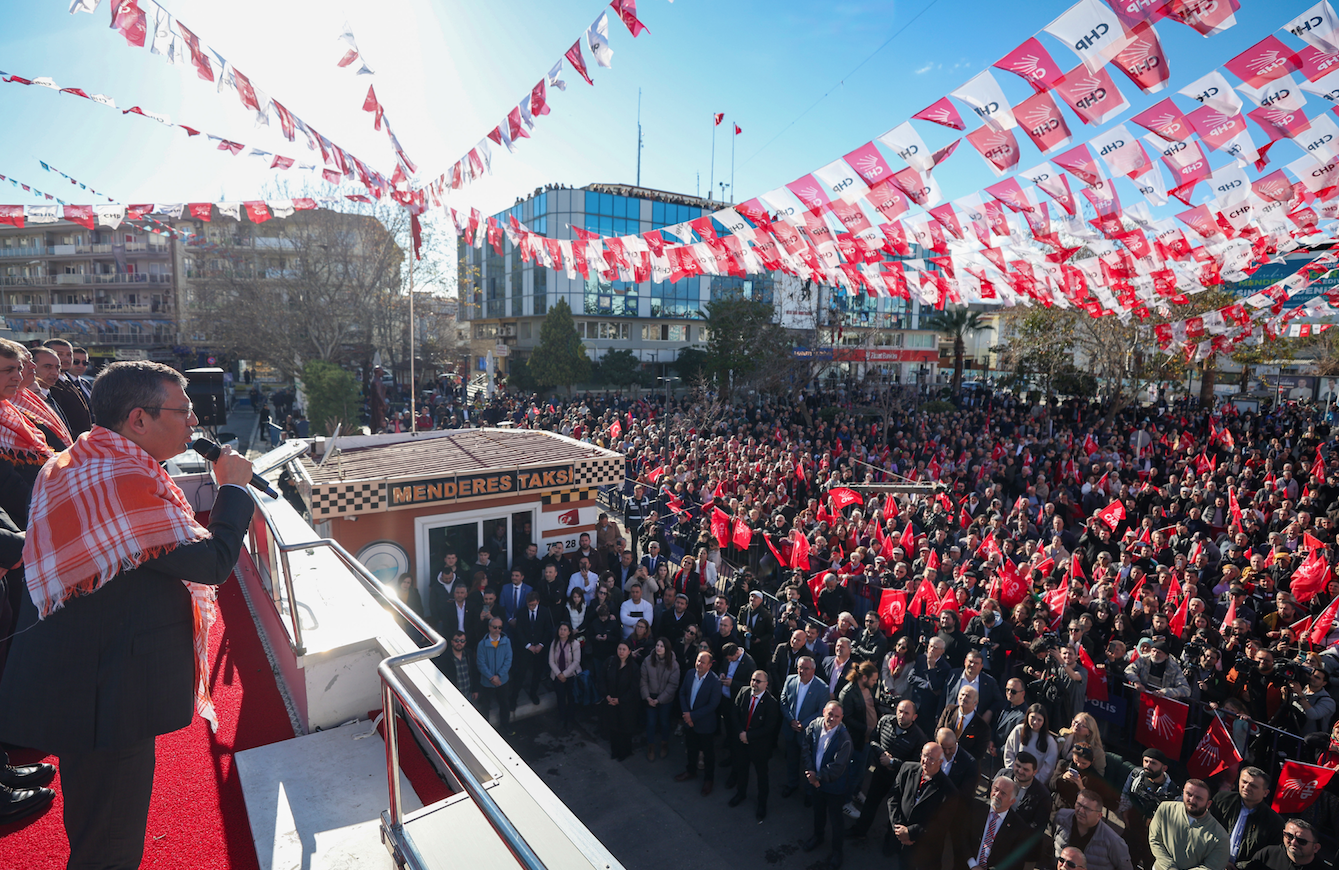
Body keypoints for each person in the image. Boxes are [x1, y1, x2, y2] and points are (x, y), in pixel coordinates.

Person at [0, 360, 256, 867]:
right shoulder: (121, 479)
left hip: (79, 679)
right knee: (110, 846)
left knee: (96, 827)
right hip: (106, 693)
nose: (193, 425)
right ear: (139, 420)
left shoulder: (84, 458)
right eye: (183, 412)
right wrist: (233, 489)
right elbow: (211, 563)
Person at [849, 698, 928, 839]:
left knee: (896, 812)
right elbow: (873, 739)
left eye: (906, 713)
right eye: (900, 711)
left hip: (900, 780)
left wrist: (892, 762)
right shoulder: (885, 721)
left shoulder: (919, 738)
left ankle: (890, 842)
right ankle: (859, 831)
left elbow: (916, 765)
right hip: (880, 773)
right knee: (870, 804)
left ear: (914, 717)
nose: (902, 715)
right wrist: (881, 754)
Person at [883, 741, 957, 867]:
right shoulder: (907, 768)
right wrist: (898, 827)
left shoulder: (949, 791)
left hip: (924, 846)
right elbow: (893, 796)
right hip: (900, 837)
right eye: (924, 756)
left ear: (940, 762)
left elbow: (940, 825)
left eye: (931, 759)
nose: (926, 761)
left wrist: (910, 833)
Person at [801, 700, 853, 868]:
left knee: (836, 820)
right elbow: (806, 747)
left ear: (842, 717)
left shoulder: (844, 739)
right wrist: (810, 771)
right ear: (824, 711)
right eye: (830, 714)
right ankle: (818, 836)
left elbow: (837, 768)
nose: (832, 719)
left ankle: (837, 852)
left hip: (833, 787)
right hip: (816, 782)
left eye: (837, 716)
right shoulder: (815, 725)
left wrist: (817, 778)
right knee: (818, 812)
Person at [728, 669, 780, 821]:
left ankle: (762, 804)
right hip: (742, 742)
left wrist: (748, 736)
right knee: (742, 769)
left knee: (761, 776)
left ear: (766, 684)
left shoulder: (771, 703)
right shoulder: (744, 692)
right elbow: (734, 713)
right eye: (752, 680)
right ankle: (741, 793)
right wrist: (740, 733)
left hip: (759, 746)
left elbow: (769, 727)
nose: (754, 684)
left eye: (758, 681)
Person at [1209, 767, 1285, 870]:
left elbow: (1270, 856)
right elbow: (1206, 830)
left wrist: (1239, 867)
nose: (1246, 787)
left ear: (1265, 793)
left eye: (1253, 786)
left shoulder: (1274, 822)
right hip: (1212, 863)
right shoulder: (1222, 801)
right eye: (1244, 782)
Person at [955, 775, 1033, 870]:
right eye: (996, 789)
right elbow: (963, 837)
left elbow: (1015, 862)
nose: (997, 795)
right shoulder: (976, 807)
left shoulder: (1019, 828)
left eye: (1003, 793)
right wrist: (973, 865)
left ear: (1012, 801)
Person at [1148, 779, 1229, 870]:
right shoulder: (1165, 810)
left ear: (1208, 804)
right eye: (1189, 794)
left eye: (1198, 798)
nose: (1192, 800)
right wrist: (1170, 867)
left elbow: (1212, 866)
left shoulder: (1220, 836)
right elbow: (1155, 840)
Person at [781, 656, 831, 800]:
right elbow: (783, 701)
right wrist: (791, 720)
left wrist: (803, 724)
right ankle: (792, 784)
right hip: (791, 730)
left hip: (808, 734)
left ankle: (809, 792)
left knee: (809, 764)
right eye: (800, 667)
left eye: (806, 668)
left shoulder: (822, 688)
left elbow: (821, 711)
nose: (802, 671)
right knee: (791, 759)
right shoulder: (790, 680)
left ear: (813, 670)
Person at [1120, 747, 1179, 870]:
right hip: (1132, 830)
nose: (1148, 765)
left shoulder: (1173, 791)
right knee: (1122, 862)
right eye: (1146, 761)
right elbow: (1125, 795)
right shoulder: (1135, 775)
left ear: (1164, 768)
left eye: (1153, 763)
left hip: (1154, 840)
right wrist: (1125, 817)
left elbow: (1175, 821)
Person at [675, 650, 721, 795]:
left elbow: (712, 705)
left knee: (708, 753)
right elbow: (682, 693)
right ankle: (691, 771)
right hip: (689, 722)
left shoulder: (714, 681)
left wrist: (692, 716)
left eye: (703, 662)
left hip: (704, 724)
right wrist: (686, 714)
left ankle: (709, 780)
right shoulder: (689, 674)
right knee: (691, 747)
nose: (699, 664)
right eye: (698, 660)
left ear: (709, 665)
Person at [1054, 788, 1135, 870]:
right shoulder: (1061, 817)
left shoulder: (1113, 841)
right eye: (1079, 804)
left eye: (1087, 809)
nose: (1081, 811)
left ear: (1099, 815)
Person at [510, 591, 553, 708]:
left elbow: (548, 630)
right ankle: (514, 697)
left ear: (538, 602)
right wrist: (529, 646)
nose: (531, 607)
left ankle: (533, 693)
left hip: (539, 649)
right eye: (530, 605)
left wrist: (541, 645)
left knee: (537, 673)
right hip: (525, 649)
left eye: (534, 604)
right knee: (521, 674)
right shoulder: (522, 613)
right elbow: (519, 632)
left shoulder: (544, 611)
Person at [640, 638, 680, 761]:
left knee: (664, 722)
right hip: (650, 696)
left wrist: (659, 700)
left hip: (665, 699)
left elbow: (672, 686)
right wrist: (647, 697)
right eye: (657, 645)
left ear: (666, 649)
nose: (658, 648)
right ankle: (650, 746)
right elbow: (643, 680)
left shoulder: (674, 665)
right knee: (651, 723)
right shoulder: (647, 661)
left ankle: (664, 744)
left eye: (662, 646)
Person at [1240, 819, 1331, 870]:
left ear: (1315, 847)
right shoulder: (1268, 854)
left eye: (1301, 841)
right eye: (1289, 836)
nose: (1293, 842)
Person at [1001, 703, 1058, 784]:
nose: (1035, 722)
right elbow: (1009, 752)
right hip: (1014, 778)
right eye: (1032, 717)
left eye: (1039, 720)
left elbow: (1048, 767)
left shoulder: (1050, 741)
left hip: (1034, 782)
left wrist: (1033, 781)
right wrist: (1013, 772)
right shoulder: (1018, 730)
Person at [602, 641, 640, 761]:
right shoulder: (610, 662)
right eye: (619, 649)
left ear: (629, 652)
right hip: (611, 702)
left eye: (624, 649)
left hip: (626, 705)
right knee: (613, 727)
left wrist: (620, 700)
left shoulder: (634, 667)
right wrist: (607, 695)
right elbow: (602, 680)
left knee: (625, 729)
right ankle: (615, 751)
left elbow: (634, 688)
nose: (621, 652)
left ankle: (625, 752)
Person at [477, 617, 513, 731]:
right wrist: (492, 677)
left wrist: (499, 676)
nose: (497, 629)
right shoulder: (481, 644)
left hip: (502, 680)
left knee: (505, 704)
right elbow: (480, 663)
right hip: (487, 682)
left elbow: (508, 660)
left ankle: (505, 726)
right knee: (485, 706)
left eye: (500, 627)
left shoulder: (506, 641)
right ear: (489, 627)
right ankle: (485, 730)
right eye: (495, 627)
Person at [548, 622, 581, 730]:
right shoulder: (554, 643)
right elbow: (551, 661)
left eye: (565, 629)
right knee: (560, 698)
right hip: (557, 675)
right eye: (561, 629)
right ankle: (562, 718)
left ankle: (570, 719)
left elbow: (576, 661)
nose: (562, 631)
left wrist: (565, 674)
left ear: (569, 632)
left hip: (570, 675)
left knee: (571, 698)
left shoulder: (575, 644)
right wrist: (559, 674)